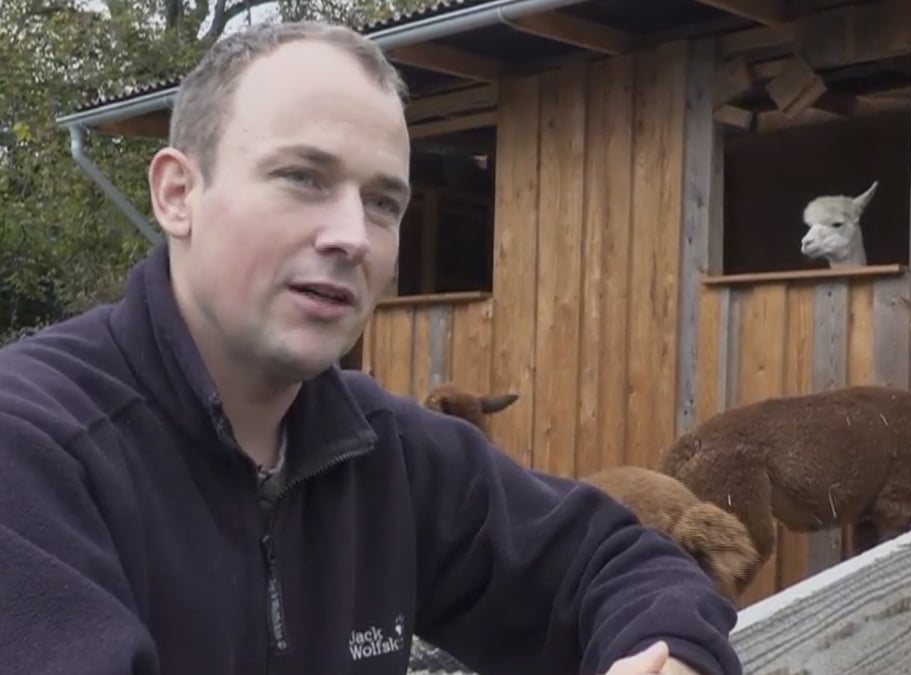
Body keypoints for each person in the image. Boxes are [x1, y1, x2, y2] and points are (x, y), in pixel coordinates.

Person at [0, 19, 743, 675]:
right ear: (176, 195)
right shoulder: (32, 449)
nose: (352, 235)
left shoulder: (381, 450)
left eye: (383, 201)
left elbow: (617, 560)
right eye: (302, 177)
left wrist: (669, 654)